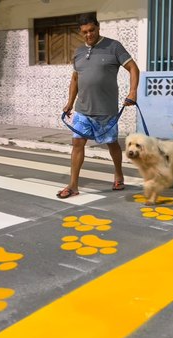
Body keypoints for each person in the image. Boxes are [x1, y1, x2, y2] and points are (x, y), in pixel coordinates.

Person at [57, 13, 140, 199]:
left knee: (111, 144)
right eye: (84, 32)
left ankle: (119, 175)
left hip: (106, 110)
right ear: (81, 32)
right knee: (77, 144)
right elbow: (75, 78)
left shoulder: (114, 46)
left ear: (98, 27)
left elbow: (133, 68)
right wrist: (70, 103)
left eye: (91, 30)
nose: (88, 35)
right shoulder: (78, 52)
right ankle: (73, 185)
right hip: (82, 110)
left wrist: (133, 92)